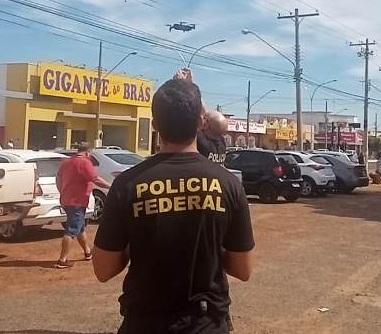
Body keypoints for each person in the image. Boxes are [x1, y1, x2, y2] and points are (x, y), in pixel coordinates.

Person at [92, 78, 255, 333]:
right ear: (201, 123)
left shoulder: (127, 184)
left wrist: (140, 244)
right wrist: (206, 249)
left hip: (144, 323)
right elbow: (242, 268)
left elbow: (103, 269)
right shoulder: (227, 184)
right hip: (206, 323)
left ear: (155, 125)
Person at [54, 143, 111, 269]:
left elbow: (58, 178)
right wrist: (111, 186)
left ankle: (87, 252)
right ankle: (62, 260)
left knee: (80, 228)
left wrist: (62, 191)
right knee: (72, 230)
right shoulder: (84, 163)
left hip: (68, 200)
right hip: (77, 202)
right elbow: (95, 179)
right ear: (88, 152)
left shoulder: (66, 162)